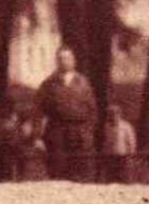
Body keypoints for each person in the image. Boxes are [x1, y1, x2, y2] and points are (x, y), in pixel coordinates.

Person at [37, 45, 99, 181]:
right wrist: (38, 136)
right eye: (61, 58)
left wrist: (88, 131)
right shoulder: (48, 84)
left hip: (80, 133)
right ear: (56, 61)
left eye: (67, 58)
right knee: (58, 171)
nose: (64, 61)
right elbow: (38, 111)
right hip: (57, 131)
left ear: (74, 61)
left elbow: (92, 110)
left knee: (81, 171)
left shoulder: (83, 83)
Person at [102, 103, 137, 183]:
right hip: (110, 157)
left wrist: (131, 155)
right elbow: (106, 141)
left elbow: (131, 142)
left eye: (114, 114)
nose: (112, 116)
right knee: (111, 180)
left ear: (119, 115)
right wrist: (105, 154)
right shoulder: (106, 126)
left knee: (124, 179)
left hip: (123, 156)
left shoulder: (126, 126)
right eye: (110, 114)